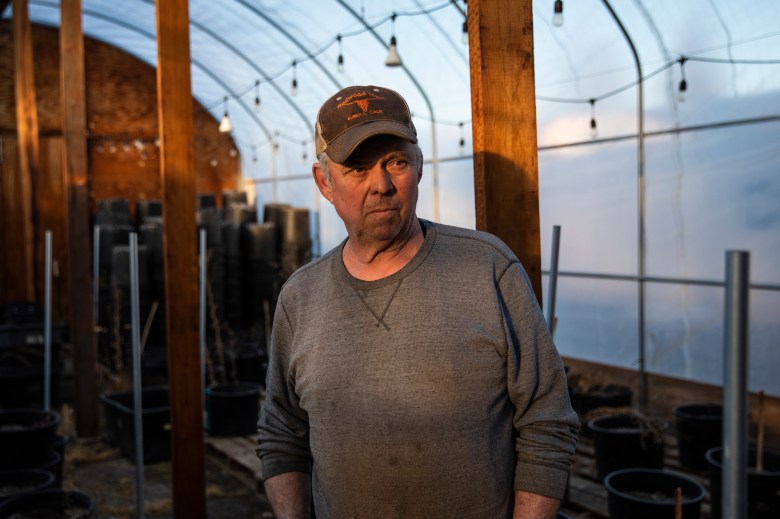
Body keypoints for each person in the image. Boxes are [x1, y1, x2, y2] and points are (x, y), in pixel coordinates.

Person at [256, 85, 579, 518]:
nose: (382, 185)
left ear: (420, 166)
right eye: (357, 168)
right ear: (324, 182)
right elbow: (282, 432)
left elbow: (547, 419)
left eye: (397, 162)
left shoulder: (486, 269)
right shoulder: (301, 297)